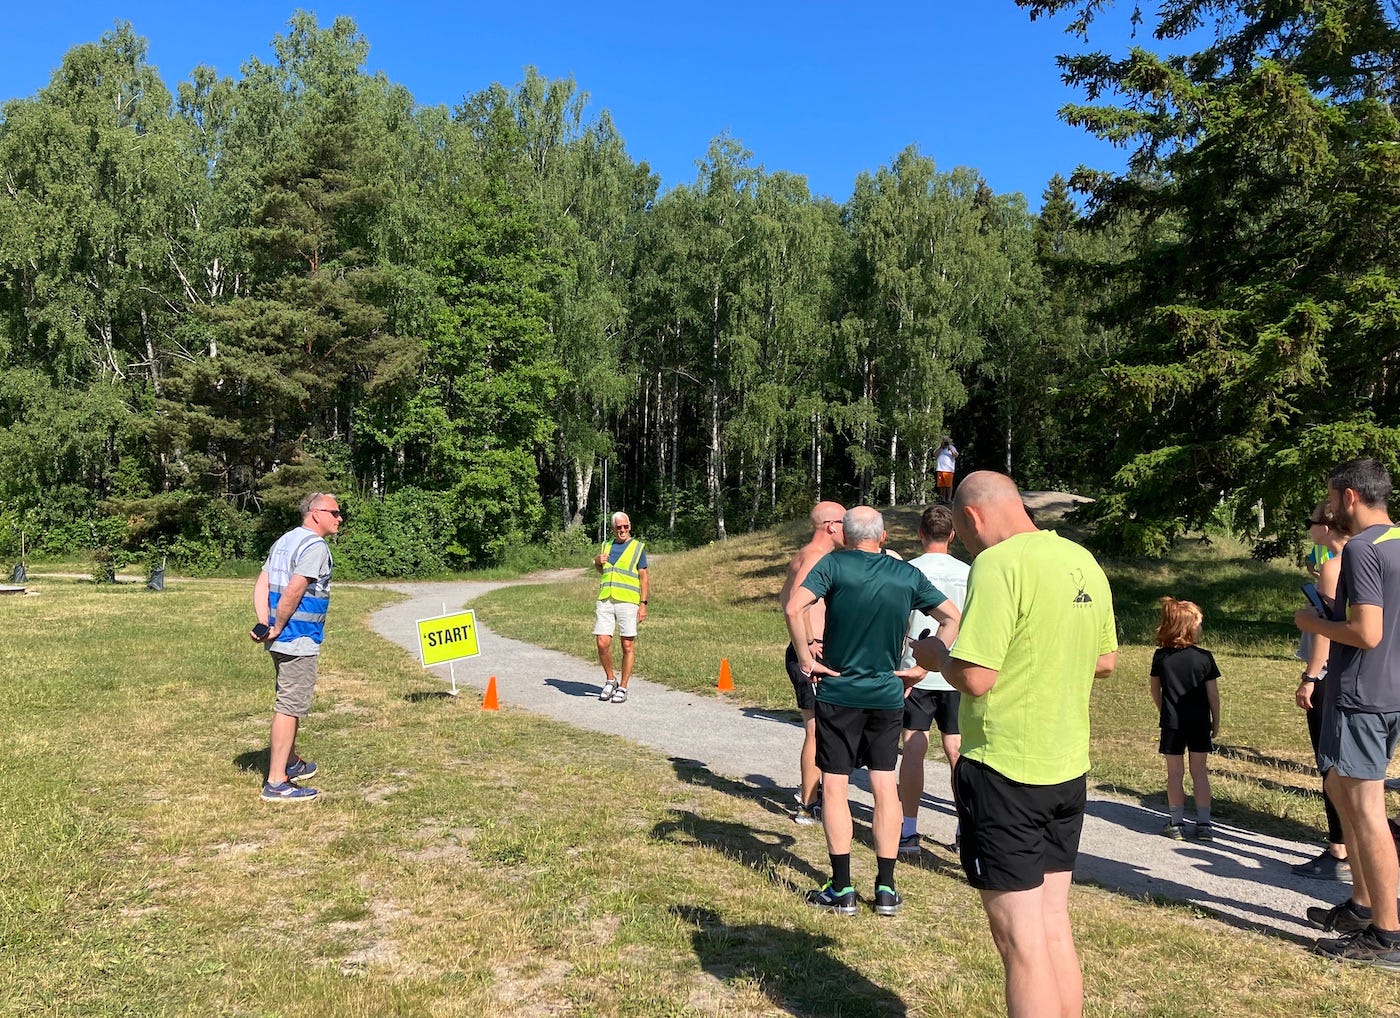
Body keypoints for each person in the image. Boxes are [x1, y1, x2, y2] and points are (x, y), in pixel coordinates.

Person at [910, 471, 1117, 1018]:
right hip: (1067, 768)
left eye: (966, 530)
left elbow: (976, 677)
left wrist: (935, 660)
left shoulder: (998, 565)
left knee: (1019, 945)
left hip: (1005, 771)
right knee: (1051, 927)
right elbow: (1105, 661)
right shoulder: (1081, 560)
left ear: (972, 518)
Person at [784, 506, 959, 917]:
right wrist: (923, 667)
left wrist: (808, 659)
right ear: (882, 537)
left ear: (845, 535)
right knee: (883, 784)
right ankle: (885, 888)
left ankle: (842, 888)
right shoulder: (906, 574)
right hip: (886, 693)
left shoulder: (833, 565)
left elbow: (794, 608)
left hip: (839, 691)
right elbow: (951, 616)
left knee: (838, 784)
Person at [1295, 458, 1400, 968]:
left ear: (1351, 496)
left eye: (1333, 498)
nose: (1330, 507)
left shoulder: (1360, 549)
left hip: (1363, 694)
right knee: (1338, 786)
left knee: (1366, 812)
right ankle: (1361, 907)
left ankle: (1386, 935)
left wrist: (1312, 620)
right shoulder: (1397, 541)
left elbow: (1367, 633)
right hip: (1390, 691)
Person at [251, 492, 342, 803]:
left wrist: (265, 623)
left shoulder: (286, 540)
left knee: (288, 699)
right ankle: (277, 782)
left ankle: (291, 762)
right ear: (315, 513)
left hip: (279, 637)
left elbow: (262, 583)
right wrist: (277, 624)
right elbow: (296, 587)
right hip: (297, 637)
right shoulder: (315, 546)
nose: (339, 518)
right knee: (289, 706)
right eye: (334, 512)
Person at [897, 504, 970, 855]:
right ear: (953, 536)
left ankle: (909, 830)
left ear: (920, 534)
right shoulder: (969, 573)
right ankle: (965, 828)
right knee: (957, 751)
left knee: (913, 747)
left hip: (916, 670)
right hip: (956, 672)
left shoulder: (907, 571)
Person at [778, 500, 846, 824]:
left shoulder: (803, 554)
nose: (849, 530)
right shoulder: (816, 557)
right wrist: (810, 643)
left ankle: (813, 795)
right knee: (816, 730)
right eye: (845, 523)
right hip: (811, 656)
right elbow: (795, 605)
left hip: (811, 652)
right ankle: (808, 805)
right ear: (831, 526)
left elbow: (782, 597)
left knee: (819, 728)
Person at [1292, 503, 1351, 881]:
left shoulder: (1335, 565)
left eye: (1311, 521)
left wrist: (1311, 676)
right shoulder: (1361, 557)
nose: (1309, 528)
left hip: (1328, 676)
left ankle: (1340, 850)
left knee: (1330, 764)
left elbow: (1326, 632)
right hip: (1355, 677)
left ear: (1326, 526)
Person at [1150, 597, 1221, 841]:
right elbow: (1213, 694)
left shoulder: (1160, 657)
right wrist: (1216, 720)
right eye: (1199, 623)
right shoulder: (1205, 658)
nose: (1201, 627)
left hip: (1172, 723)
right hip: (1200, 721)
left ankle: (1176, 821)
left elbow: (1154, 690)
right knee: (1200, 772)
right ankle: (1204, 823)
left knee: (1174, 773)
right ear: (1190, 627)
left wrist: (1164, 710)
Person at [595, 511, 648, 704]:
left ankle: (623, 686)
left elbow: (644, 577)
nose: (623, 530)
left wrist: (643, 604)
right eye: (619, 527)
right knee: (602, 642)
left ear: (630, 526)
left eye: (625, 526)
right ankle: (611, 679)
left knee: (627, 644)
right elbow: (603, 569)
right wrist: (596, 562)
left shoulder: (637, 548)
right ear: (612, 529)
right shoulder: (606, 546)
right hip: (606, 599)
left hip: (628, 601)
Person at [935, 438, 959, 504]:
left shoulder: (952, 447)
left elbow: (956, 455)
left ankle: (949, 499)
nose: (945, 443)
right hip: (940, 468)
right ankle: (943, 499)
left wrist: (950, 448)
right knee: (941, 485)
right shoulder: (940, 448)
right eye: (944, 441)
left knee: (948, 485)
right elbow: (935, 455)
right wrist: (941, 447)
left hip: (948, 469)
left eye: (946, 442)